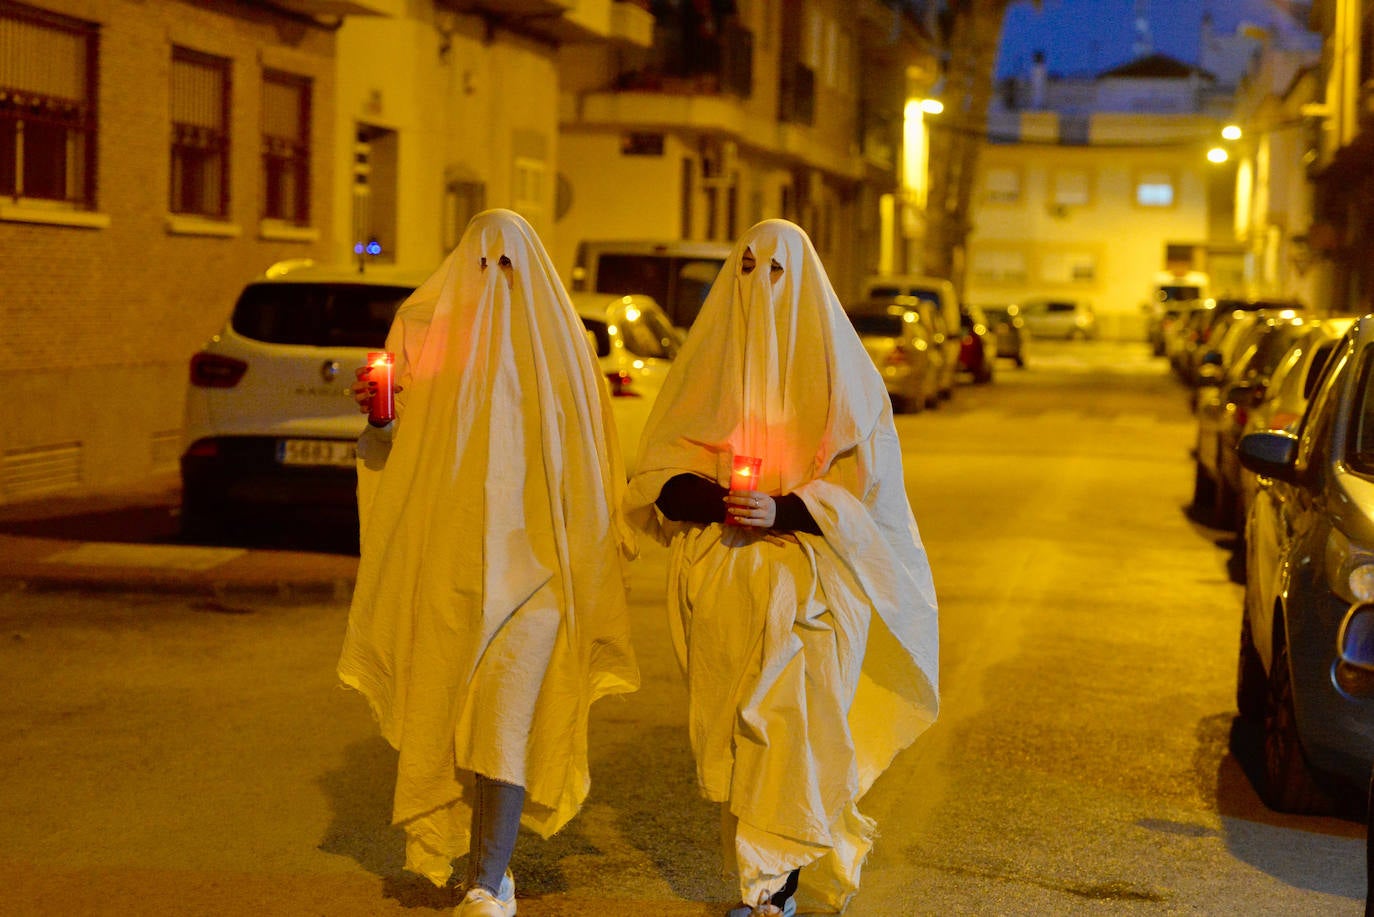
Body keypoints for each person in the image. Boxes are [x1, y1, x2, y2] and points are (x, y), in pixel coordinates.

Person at [623, 219, 939, 917]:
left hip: (817, 585)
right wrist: (723, 501)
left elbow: (870, 495)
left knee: (794, 730)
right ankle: (764, 879)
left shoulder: (847, 381)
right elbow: (656, 477)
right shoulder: (706, 371)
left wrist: (787, 509)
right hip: (725, 580)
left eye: (778, 273)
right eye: (749, 270)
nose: (762, 289)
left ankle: (772, 888)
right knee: (747, 733)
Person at [338, 209, 639, 917]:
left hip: (538, 578)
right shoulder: (424, 337)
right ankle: (475, 861)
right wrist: (381, 417)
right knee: (449, 714)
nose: (495, 282)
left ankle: (488, 873)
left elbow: (597, 463)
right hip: (449, 566)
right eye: (483, 265)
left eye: (509, 266)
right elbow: (394, 447)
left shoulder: (564, 349)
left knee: (502, 713)